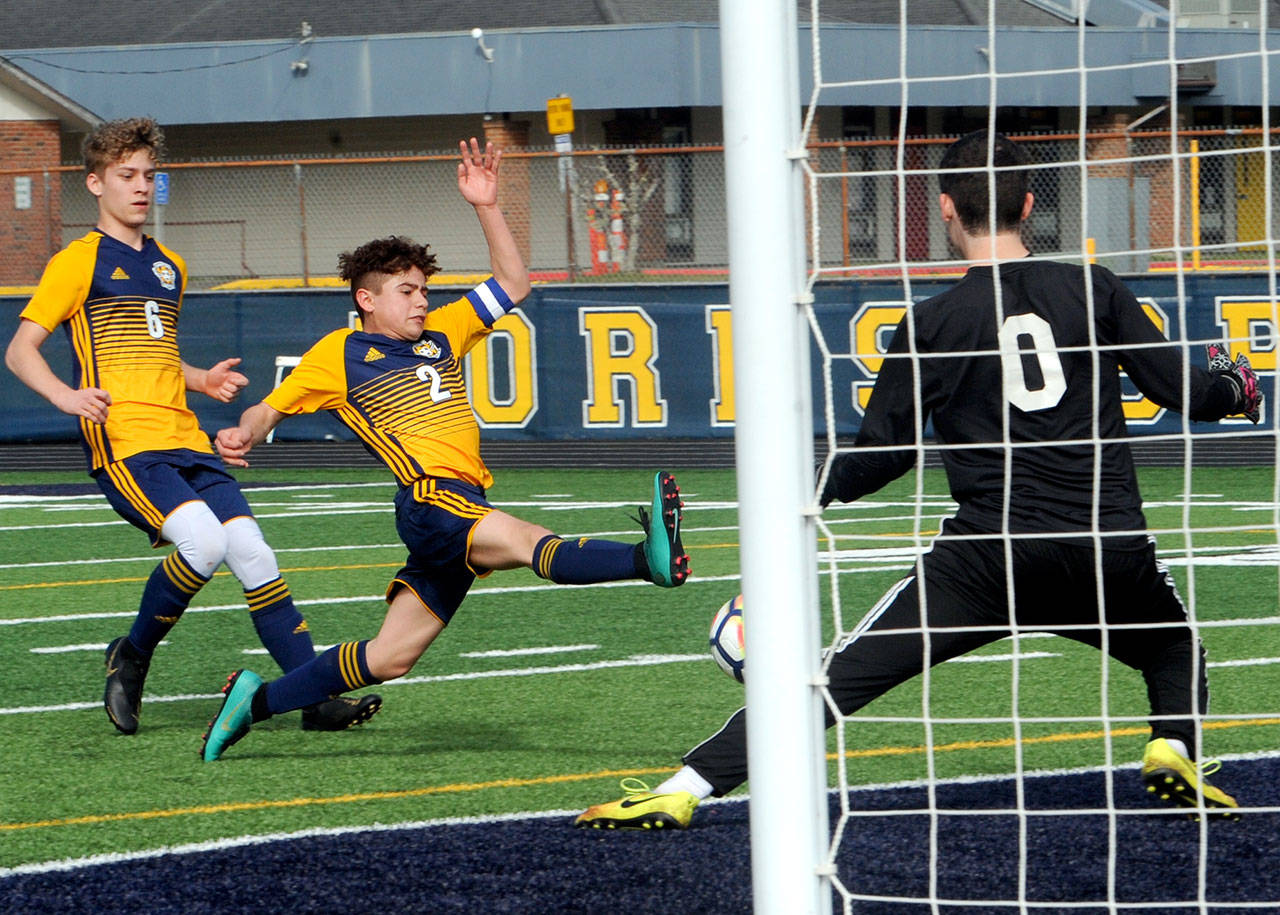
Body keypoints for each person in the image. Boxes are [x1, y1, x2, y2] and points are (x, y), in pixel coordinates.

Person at [575, 129, 1258, 830]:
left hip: (987, 559)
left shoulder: (932, 321)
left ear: (944, 210)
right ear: (1029, 203)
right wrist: (1239, 385)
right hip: (1103, 541)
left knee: (838, 677)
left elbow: (883, 456)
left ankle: (684, 785)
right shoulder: (1094, 285)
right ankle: (1172, 745)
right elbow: (1188, 394)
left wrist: (804, 487)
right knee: (1174, 645)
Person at [200, 138, 691, 762]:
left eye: (424, 289)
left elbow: (514, 281)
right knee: (523, 541)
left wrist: (486, 205)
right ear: (367, 299)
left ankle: (253, 701)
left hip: (461, 501)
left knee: (390, 657)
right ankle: (642, 561)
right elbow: (267, 408)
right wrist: (247, 430)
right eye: (407, 291)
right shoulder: (339, 355)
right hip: (430, 499)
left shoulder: (445, 331)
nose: (422, 300)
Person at [4, 117, 382, 736]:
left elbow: (149, 354)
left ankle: (311, 695)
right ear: (95, 184)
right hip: (126, 443)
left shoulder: (168, 265)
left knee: (254, 553)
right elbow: (21, 350)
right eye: (126, 176)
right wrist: (66, 396)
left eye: (148, 175)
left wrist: (201, 379)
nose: (140, 187)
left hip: (185, 437)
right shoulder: (77, 262)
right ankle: (131, 656)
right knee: (203, 544)